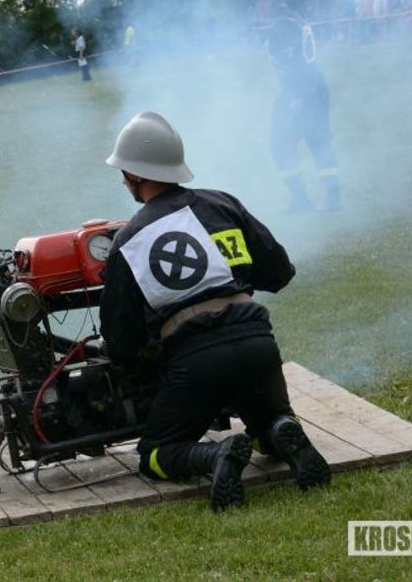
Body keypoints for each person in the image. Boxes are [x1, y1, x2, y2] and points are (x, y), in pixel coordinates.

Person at [98, 111, 331, 512]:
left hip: (195, 362)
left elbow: (121, 341)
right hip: (257, 342)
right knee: (265, 424)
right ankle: (282, 430)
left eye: (124, 172)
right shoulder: (223, 204)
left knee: (156, 453)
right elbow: (279, 272)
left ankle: (215, 455)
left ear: (135, 175)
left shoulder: (129, 238)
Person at [247, 0, 341, 213]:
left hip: (301, 89)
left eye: (264, 0)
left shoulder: (282, 25)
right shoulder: (288, 19)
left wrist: (295, 96)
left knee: (280, 142)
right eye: (256, 2)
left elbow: (294, 62)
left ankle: (302, 200)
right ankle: (332, 198)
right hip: (312, 88)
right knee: (318, 141)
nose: (260, 6)